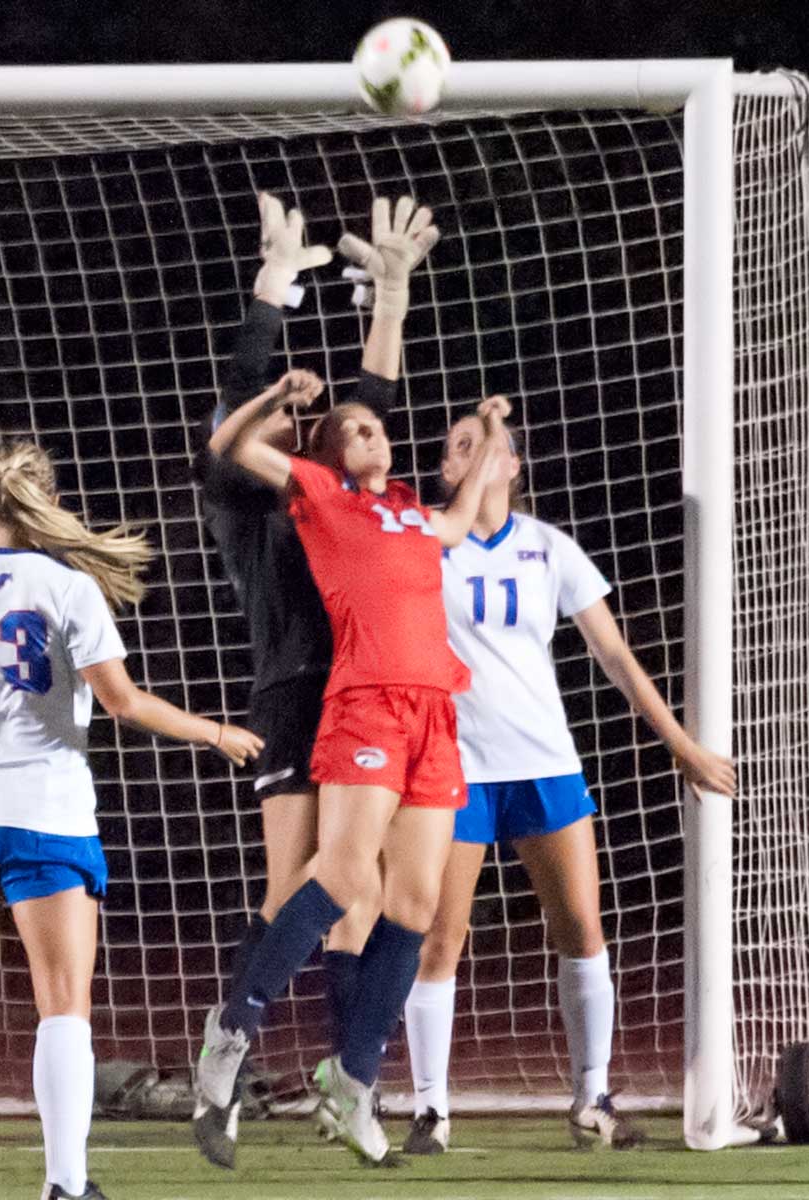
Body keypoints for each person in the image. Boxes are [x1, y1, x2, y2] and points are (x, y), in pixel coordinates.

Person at [0, 440, 261, 1200]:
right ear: (48, 501)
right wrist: (215, 732)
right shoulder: (68, 587)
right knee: (62, 1006)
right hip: (44, 812)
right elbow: (122, 701)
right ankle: (64, 1184)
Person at [190, 360, 513, 1168]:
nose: (376, 434)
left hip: (434, 714)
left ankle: (354, 1077)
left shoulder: (409, 510)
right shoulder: (321, 495)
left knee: (416, 902)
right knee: (338, 877)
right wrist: (274, 400)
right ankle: (234, 1026)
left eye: (379, 427)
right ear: (331, 454)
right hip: (365, 703)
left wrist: (492, 431)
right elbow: (230, 448)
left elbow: (462, 516)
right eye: (357, 430)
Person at [398, 410, 738, 1155]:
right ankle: (431, 1110)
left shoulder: (549, 548)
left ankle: (591, 1098)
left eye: (485, 442)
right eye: (456, 447)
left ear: (512, 465)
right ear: (448, 473)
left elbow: (614, 655)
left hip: (546, 763)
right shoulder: (426, 542)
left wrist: (680, 744)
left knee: (582, 930)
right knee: (440, 939)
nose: (471, 451)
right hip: (456, 767)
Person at [192, 192, 434, 1071]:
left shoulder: (332, 495)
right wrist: (272, 291)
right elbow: (232, 418)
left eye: (301, 426)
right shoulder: (244, 499)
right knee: (296, 881)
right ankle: (232, 1054)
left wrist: (393, 299)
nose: (295, 428)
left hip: (364, 698)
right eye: (283, 423)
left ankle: (347, 1072)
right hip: (296, 695)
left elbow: (370, 406)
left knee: (362, 890)